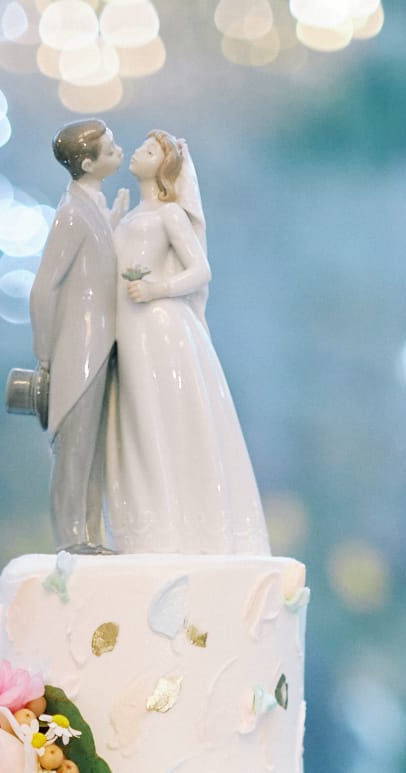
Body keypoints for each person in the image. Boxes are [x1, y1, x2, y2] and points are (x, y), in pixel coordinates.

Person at [104, 131, 269, 557]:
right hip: (131, 330)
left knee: (164, 417)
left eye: (152, 149)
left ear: (164, 168)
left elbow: (200, 270)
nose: (140, 149)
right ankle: (147, 525)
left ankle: (180, 527)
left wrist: (160, 288)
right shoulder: (128, 216)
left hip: (161, 328)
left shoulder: (169, 216)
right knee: (137, 419)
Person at [28, 119, 127, 552]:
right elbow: (44, 287)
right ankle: (72, 538)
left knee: (95, 451)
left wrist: (112, 222)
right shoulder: (71, 214)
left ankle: (92, 533)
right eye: (110, 150)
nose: (118, 152)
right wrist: (46, 355)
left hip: (101, 343)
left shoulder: (91, 206)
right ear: (88, 163)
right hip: (78, 348)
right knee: (75, 450)